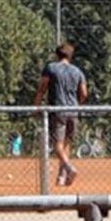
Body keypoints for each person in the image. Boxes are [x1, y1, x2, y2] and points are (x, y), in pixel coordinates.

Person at [33, 42, 88, 186]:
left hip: (57, 109)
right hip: (73, 110)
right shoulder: (77, 71)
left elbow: (42, 88)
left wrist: (36, 106)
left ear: (57, 55)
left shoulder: (51, 68)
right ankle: (61, 177)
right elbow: (83, 93)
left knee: (57, 144)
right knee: (66, 144)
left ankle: (69, 169)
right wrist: (77, 104)